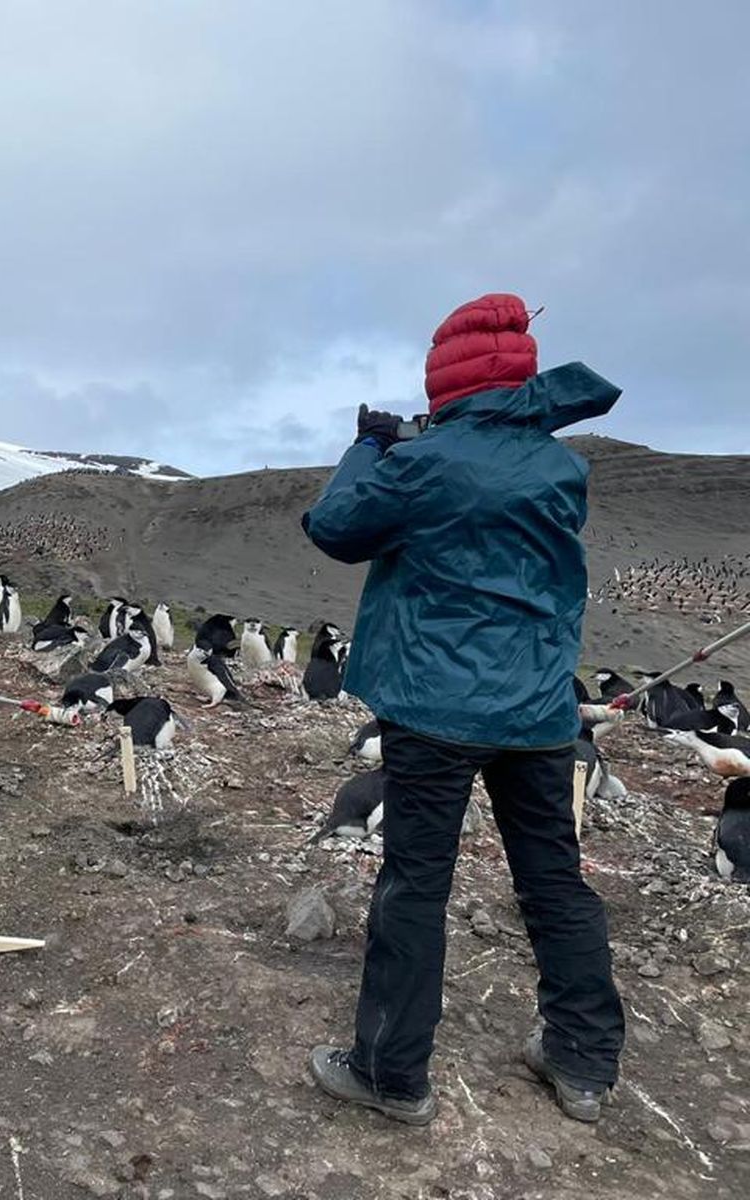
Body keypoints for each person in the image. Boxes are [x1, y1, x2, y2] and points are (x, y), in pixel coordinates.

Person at [300, 294, 626, 1125]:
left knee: (415, 885)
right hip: (539, 709)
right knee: (553, 881)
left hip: (434, 708)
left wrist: (370, 445)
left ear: (443, 384)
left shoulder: (426, 463)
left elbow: (335, 527)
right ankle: (582, 1062)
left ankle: (391, 1074)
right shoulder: (560, 467)